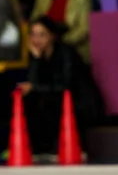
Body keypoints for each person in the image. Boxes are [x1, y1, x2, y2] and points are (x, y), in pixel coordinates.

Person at [20, 16, 103, 157]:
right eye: (33, 35)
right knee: (30, 100)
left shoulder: (66, 53)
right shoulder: (37, 55)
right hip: (53, 97)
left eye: (42, 35)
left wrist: (34, 88)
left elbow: (65, 86)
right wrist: (36, 60)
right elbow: (33, 81)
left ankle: (60, 146)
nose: (36, 40)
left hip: (78, 102)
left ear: (52, 36)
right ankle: (40, 147)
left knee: (44, 100)